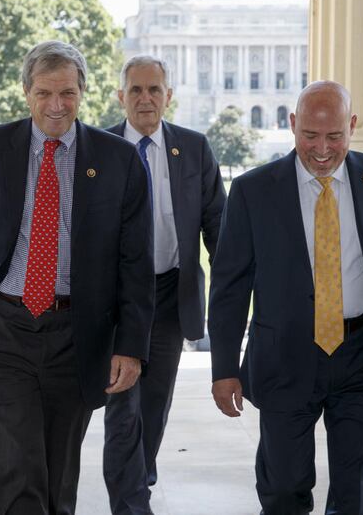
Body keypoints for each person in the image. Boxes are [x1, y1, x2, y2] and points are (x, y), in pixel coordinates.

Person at [208, 80, 363, 514]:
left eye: (334, 136)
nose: (321, 149)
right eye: (310, 135)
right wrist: (225, 368)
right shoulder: (253, 191)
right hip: (285, 355)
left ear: (352, 127)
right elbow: (229, 286)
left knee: (355, 493)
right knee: (283, 487)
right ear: (292, 125)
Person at [0, 41, 155, 515]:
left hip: (77, 337)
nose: (56, 106)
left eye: (66, 93)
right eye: (44, 93)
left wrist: (130, 345)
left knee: (58, 478)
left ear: (84, 92)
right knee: (16, 472)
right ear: (26, 93)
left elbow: (135, 264)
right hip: (2, 333)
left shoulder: (119, 160)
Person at [103, 55, 226, 514]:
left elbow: (219, 226)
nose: (145, 98)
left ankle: (140, 482)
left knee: (154, 405)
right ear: (121, 97)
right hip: (117, 302)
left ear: (168, 96)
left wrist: (238, 290)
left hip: (171, 295)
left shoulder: (193, 149)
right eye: (135, 90)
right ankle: (131, 505)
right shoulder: (101, 148)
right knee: (123, 405)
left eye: (154, 89)